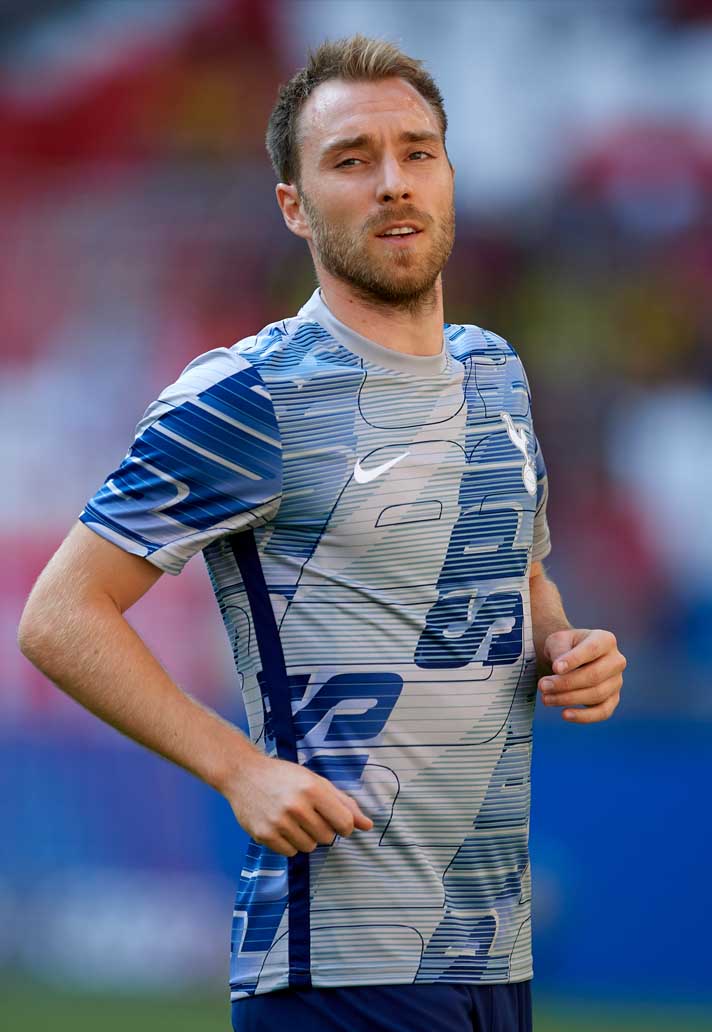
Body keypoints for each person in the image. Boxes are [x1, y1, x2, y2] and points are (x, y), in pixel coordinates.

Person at [18, 34, 626, 1032]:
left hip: (494, 951)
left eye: (417, 152)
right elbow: (59, 616)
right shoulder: (247, 394)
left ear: (449, 176)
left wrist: (566, 647)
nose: (393, 181)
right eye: (351, 160)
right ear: (294, 205)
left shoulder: (495, 373)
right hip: (334, 960)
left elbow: (520, 578)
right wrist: (237, 768)